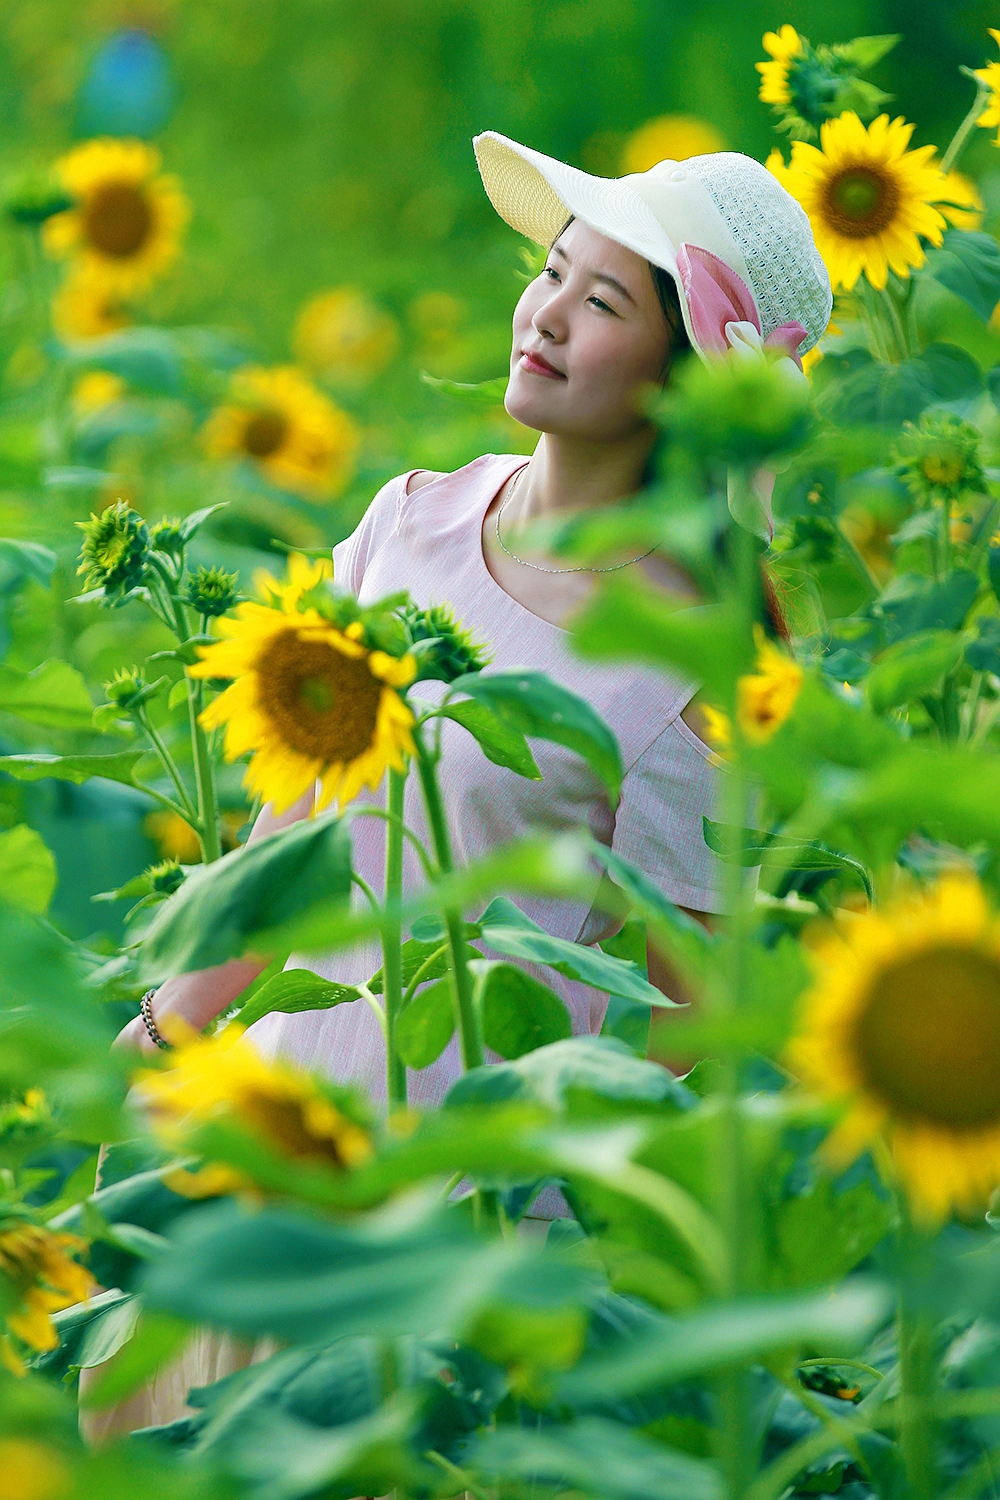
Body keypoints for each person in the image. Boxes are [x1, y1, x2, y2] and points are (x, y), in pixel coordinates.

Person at [80, 130, 832, 1440]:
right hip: (270, 1141)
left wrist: (603, 1288)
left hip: (460, 1227)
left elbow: (681, 1022)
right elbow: (290, 824)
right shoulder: (408, 522)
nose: (543, 315)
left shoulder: (684, 675)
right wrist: (168, 1031)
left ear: (682, 381)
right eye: (551, 271)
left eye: (599, 303)